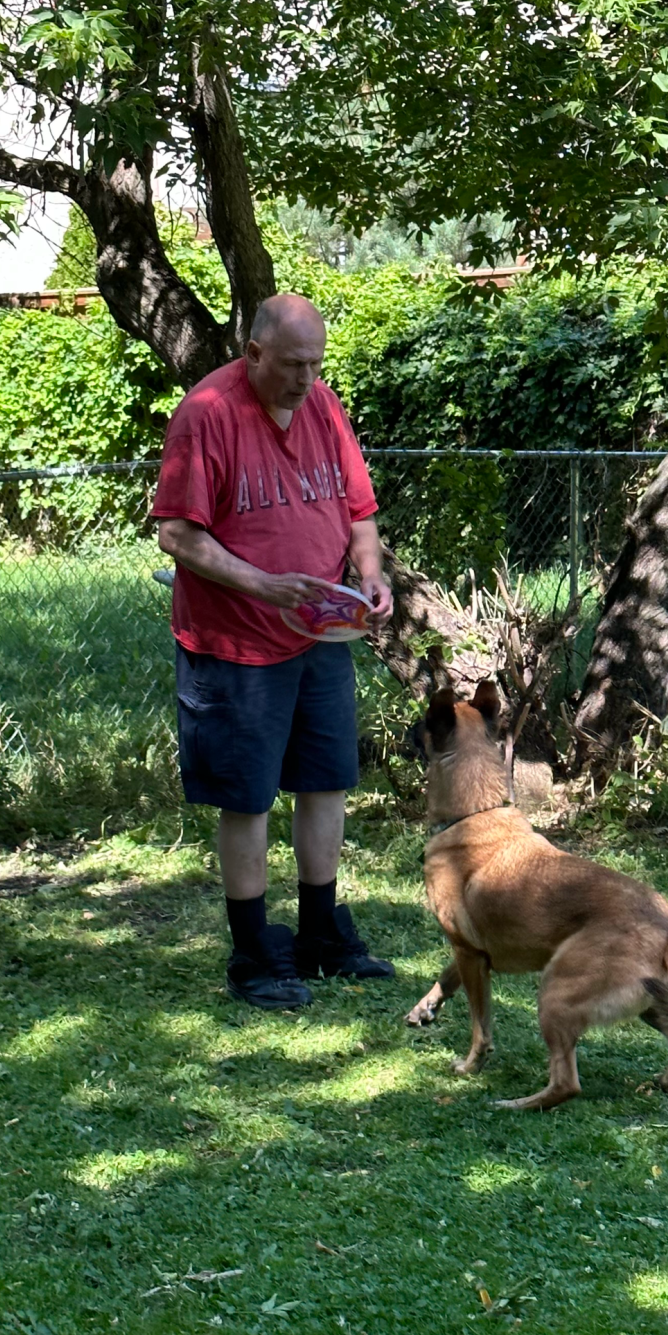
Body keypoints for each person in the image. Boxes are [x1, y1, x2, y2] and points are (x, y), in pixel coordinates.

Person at [152, 293, 396, 1009]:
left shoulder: (323, 406)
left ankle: (321, 934)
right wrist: (263, 584)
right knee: (249, 797)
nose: (306, 379)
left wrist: (371, 578)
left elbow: (361, 512)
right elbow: (176, 534)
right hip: (236, 643)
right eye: (293, 364)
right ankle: (256, 953)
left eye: (316, 365)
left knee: (326, 781)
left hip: (319, 633)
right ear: (254, 352)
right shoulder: (207, 413)